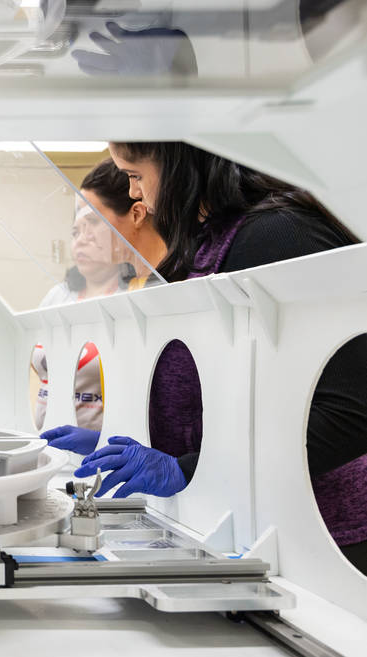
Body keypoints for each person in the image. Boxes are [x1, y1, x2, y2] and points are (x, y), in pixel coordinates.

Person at [70, 141, 367, 572]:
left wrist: (188, 468)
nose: (135, 194)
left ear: (177, 163)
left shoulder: (280, 234)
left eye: (136, 175)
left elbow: (352, 409)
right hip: (243, 529)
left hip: (324, 542)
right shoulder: (204, 244)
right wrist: (111, 436)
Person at [34, 160, 166, 440]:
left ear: (137, 214)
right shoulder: (58, 296)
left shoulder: (140, 294)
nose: (82, 239)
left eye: (92, 222)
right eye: (75, 230)